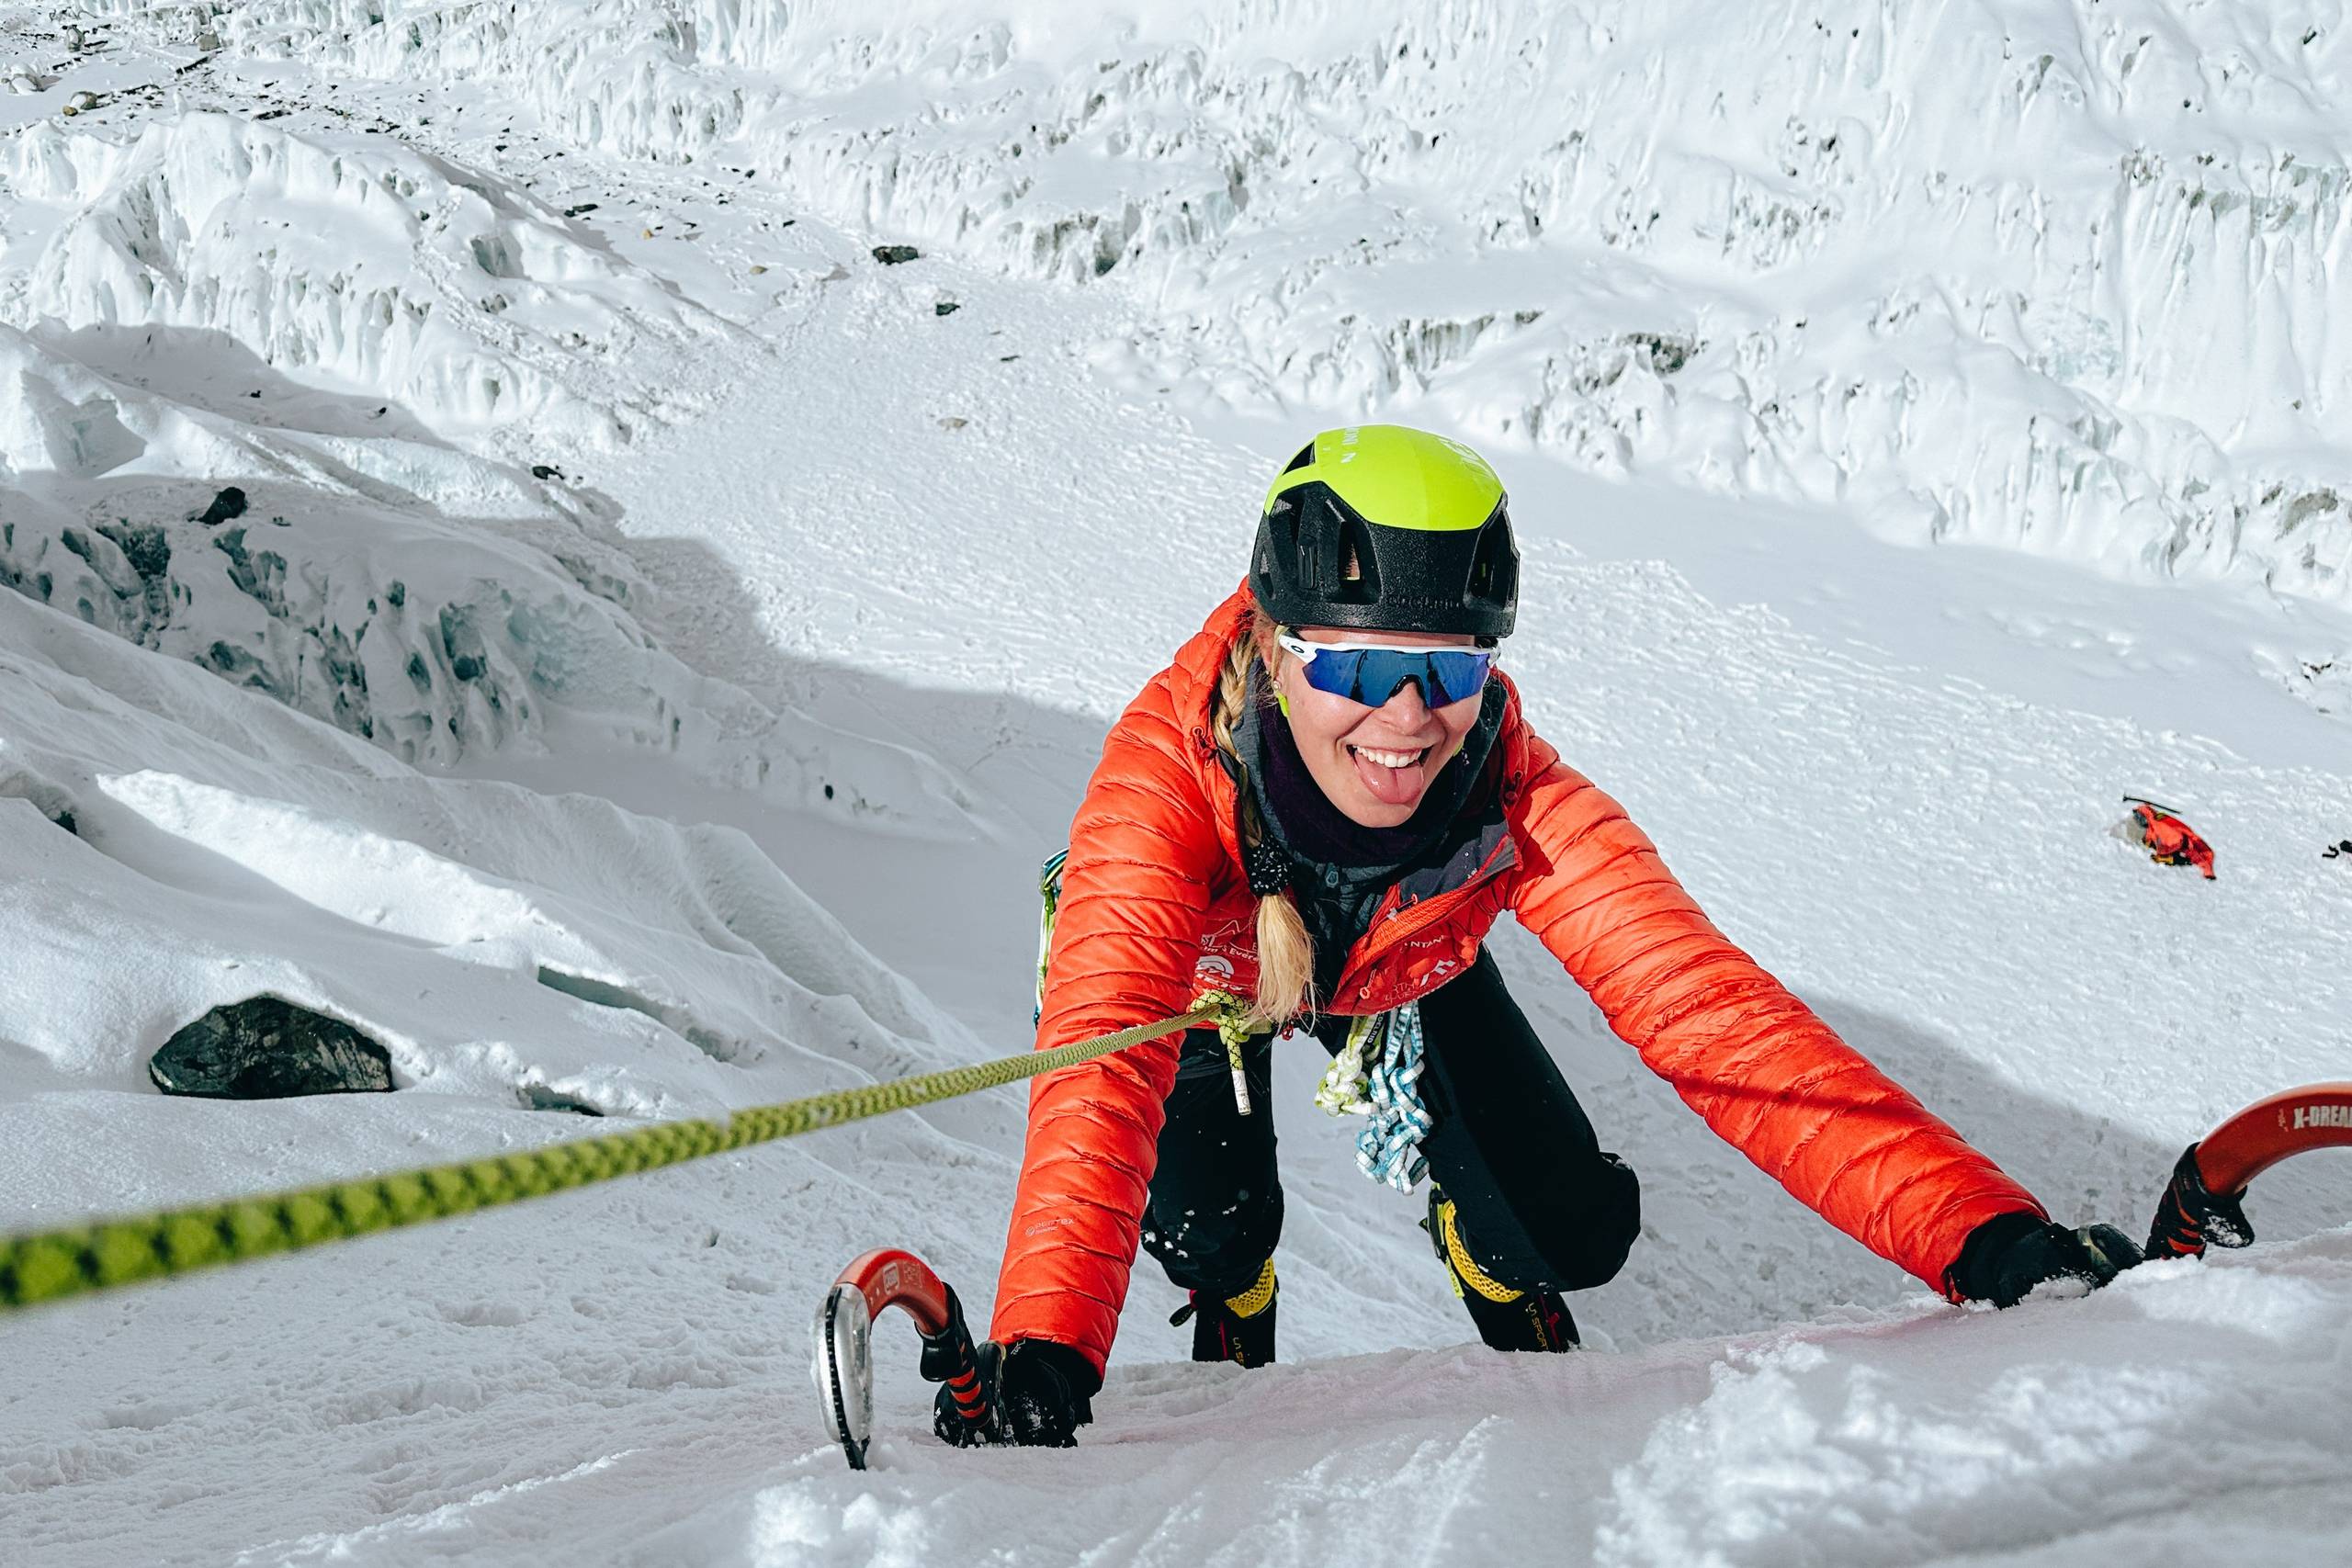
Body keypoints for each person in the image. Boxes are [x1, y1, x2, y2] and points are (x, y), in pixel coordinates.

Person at [941, 424, 2141, 1448]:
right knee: (1220, 1216)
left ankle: (1489, 1250)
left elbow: (1707, 1009)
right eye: (1357, 664)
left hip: (1394, 966)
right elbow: (1103, 1056)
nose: (1407, 720)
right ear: (1271, 644)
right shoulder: (1161, 790)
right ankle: (1231, 1286)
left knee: (1577, 1228)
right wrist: (1048, 1352)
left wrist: (1987, 1242)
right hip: (1198, 982)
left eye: (1451, 666)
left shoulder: (1501, 783)